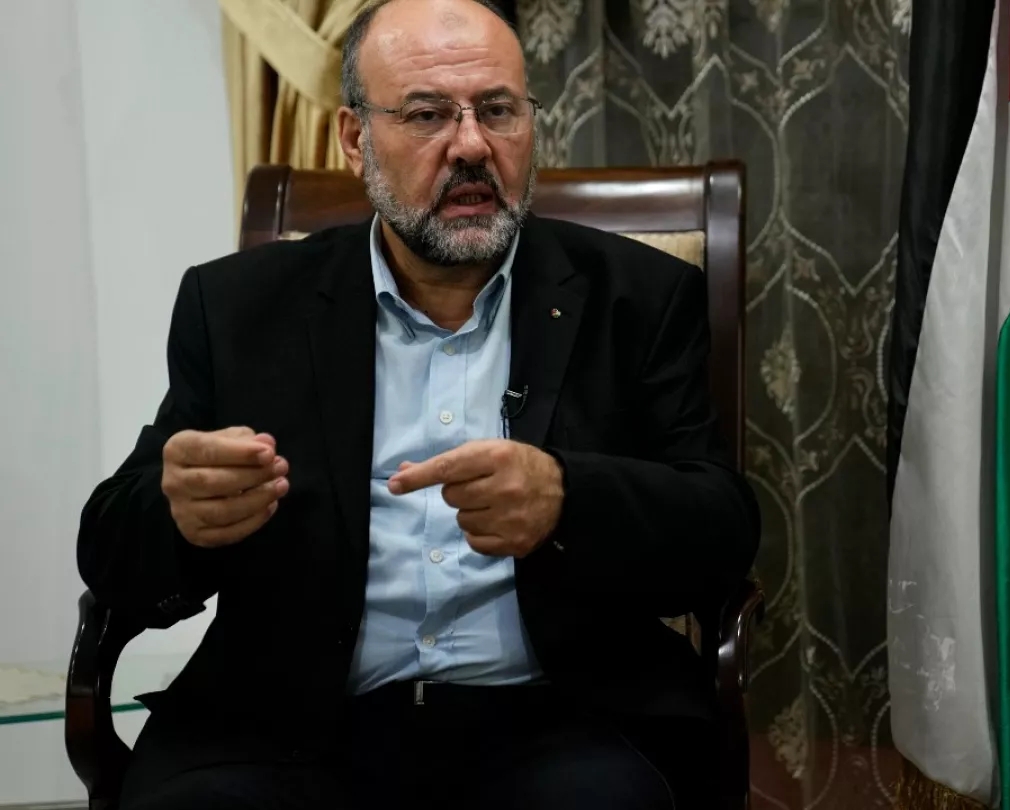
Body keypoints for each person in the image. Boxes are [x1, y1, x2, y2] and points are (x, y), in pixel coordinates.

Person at [75, 0, 760, 807]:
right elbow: (111, 547)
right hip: (288, 726)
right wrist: (178, 515)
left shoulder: (638, 298)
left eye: (497, 110)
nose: (471, 145)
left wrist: (568, 499)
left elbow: (722, 528)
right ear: (355, 138)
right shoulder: (238, 308)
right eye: (428, 114)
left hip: (563, 717)